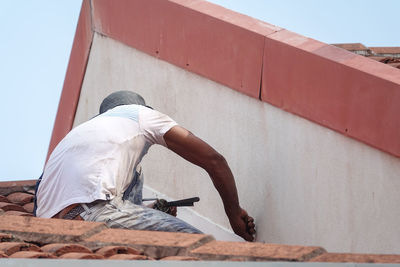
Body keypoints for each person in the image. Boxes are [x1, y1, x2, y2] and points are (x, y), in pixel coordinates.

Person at [36, 91, 255, 241]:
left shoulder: (78, 134)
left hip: (49, 232)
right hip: (95, 213)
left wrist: (150, 212)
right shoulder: (142, 115)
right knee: (202, 248)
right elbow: (214, 161)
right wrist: (234, 213)